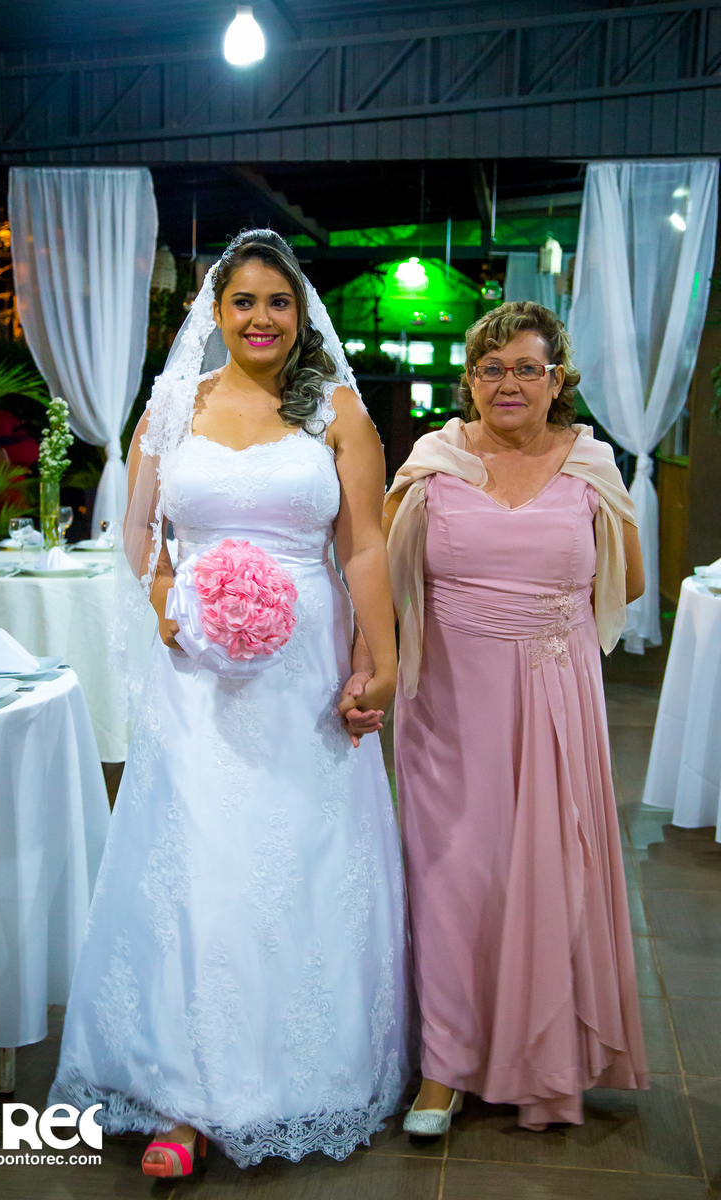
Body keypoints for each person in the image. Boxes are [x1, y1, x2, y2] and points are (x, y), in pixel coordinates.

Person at [49, 229, 408, 1175]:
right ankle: (186, 1093)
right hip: (196, 676)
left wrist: (384, 655)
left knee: (296, 856)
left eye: (278, 303)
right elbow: (134, 529)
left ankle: (299, 1074)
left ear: (301, 315)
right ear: (216, 312)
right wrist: (169, 605)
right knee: (198, 863)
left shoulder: (338, 412)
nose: (261, 318)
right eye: (243, 302)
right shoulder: (172, 407)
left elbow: (364, 545)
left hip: (303, 678)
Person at [382, 300, 648, 1134]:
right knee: (453, 875)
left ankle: (541, 1056)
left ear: (557, 380)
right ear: (468, 381)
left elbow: (630, 583)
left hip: (554, 699)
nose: (507, 383)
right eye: (490, 369)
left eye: (526, 368)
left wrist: (550, 624)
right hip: (450, 703)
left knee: (544, 876)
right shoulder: (432, 462)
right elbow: (380, 575)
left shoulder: (592, 465)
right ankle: (444, 1069)